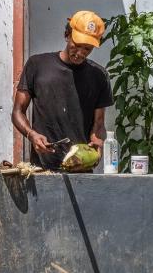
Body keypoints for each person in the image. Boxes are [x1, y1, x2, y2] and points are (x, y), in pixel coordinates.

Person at [12, 10, 113, 170]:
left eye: (87, 49)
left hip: (80, 166)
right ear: (67, 35)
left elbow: (99, 123)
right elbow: (17, 111)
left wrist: (97, 141)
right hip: (42, 168)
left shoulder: (99, 75)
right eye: (77, 45)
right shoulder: (37, 65)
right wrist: (32, 135)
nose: (80, 53)